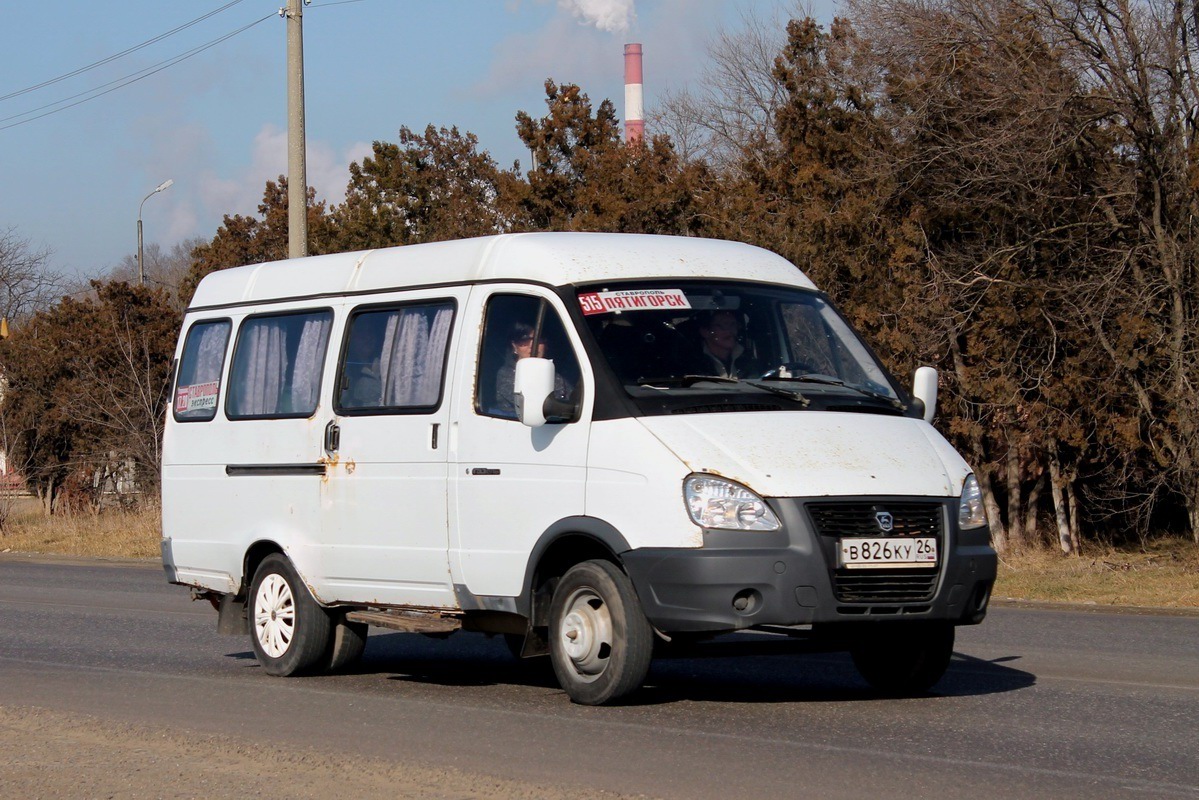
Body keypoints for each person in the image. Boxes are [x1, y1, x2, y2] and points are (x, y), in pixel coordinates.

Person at [494, 322, 570, 419]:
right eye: (524, 340)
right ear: (514, 346)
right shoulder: (505, 375)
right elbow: (532, 406)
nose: (532, 345)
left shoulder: (556, 373)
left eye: (539, 340)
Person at [691, 309, 759, 378]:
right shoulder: (692, 364)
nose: (729, 331)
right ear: (705, 332)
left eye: (733, 325)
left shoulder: (747, 362)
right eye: (723, 326)